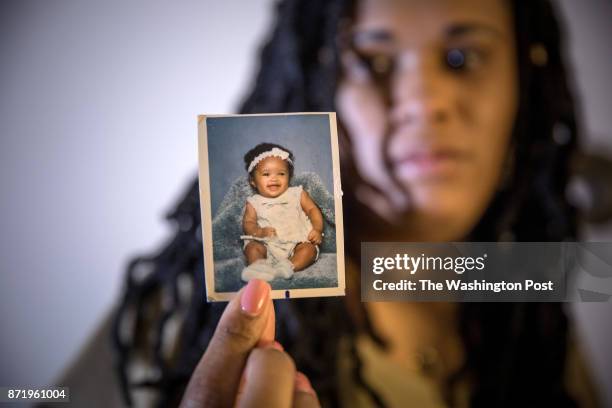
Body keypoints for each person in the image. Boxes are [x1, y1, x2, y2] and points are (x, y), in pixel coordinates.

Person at [53, 0, 601, 406]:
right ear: (313, 89)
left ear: (524, 81)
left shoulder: (529, 312)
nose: (425, 103)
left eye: (462, 58)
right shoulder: (183, 324)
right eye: (373, 60)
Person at [240, 143, 324, 281]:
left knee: (309, 249)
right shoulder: (254, 202)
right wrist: (259, 232)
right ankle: (259, 267)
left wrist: (317, 228)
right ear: (253, 181)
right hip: (267, 244)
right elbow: (248, 223)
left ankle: (287, 267)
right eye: (266, 174)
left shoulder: (297, 193)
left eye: (281, 173)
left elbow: (312, 209)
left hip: (297, 241)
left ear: (289, 177)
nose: (274, 178)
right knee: (253, 248)